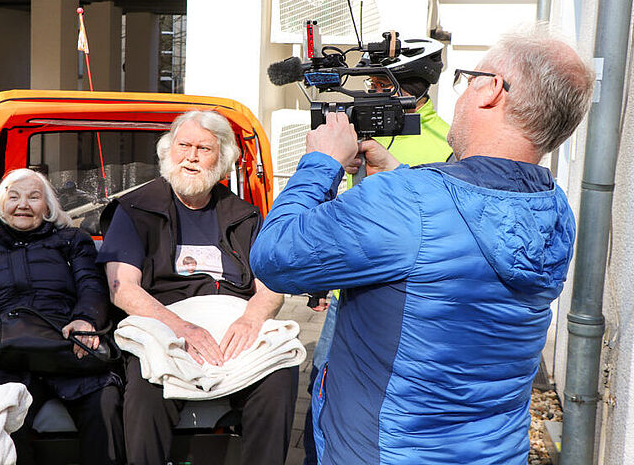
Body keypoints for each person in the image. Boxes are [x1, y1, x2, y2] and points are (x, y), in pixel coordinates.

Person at [250, 24, 594, 465]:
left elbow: (274, 256)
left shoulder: (408, 203)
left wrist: (320, 163)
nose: (461, 94)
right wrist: (398, 176)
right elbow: (462, 232)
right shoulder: (554, 208)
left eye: (468, 79)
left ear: (492, 90)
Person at [97, 109, 298, 465]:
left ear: (222, 160)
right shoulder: (133, 210)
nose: (191, 156)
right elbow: (123, 289)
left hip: (233, 326)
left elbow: (271, 285)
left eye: (203, 149)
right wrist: (180, 328)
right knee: (145, 385)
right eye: (183, 146)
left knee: (280, 372)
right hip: (163, 325)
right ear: (167, 151)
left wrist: (251, 320)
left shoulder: (245, 215)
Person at [302, 37, 453, 465]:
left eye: (379, 85)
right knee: (322, 386)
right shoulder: (366, 128)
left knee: (374, 397)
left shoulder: (445, 143)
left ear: (403, 87)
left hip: (403, 298)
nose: (369, 92)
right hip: (348, 290)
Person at [0, 168, 124, 465]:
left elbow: (92, 285)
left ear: (47, 206)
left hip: (65, 347)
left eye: (34, 197)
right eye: (14, 197)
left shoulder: (72, 240)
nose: (23, 204)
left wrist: (85, 320)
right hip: (2, 355)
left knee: (105, 400)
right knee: (1, 418)